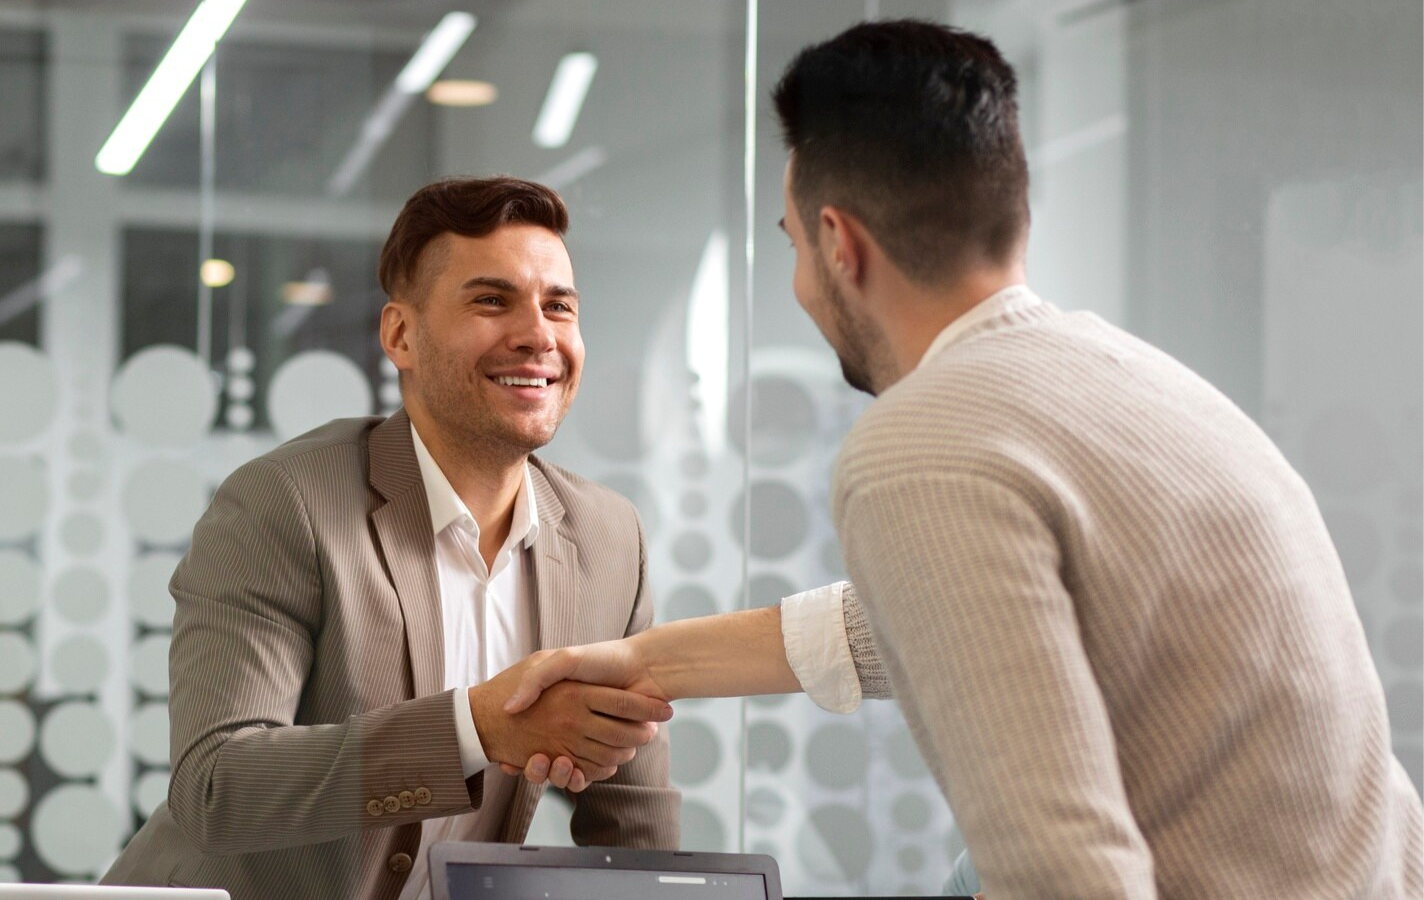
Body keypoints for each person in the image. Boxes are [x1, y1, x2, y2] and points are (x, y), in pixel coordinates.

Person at [501, 19, 1424, 900]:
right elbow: (926, 613)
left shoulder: (924, 442)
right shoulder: (1134, 381)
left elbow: (1065, 877)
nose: (796, 287)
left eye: (791, 246)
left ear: (839, 243)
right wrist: (644, 661)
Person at [102, 176, 679, 900]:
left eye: (559, 306)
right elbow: (219, 785)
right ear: (401, 335)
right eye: (491, 300)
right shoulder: (287, 504)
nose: (539, 335)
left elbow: (634, 824)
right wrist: (475, 729)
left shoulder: (607, 537)